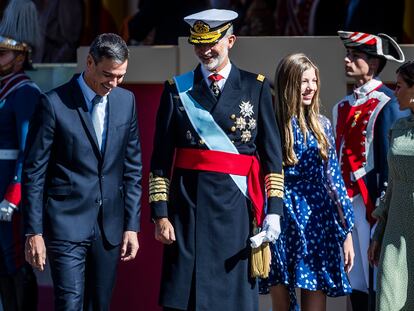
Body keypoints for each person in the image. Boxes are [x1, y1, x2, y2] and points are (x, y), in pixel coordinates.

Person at [150, 8, 284, 311]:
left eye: (211, 42)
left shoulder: (256, 86)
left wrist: (273, 212)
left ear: (231, 40)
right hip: (187, 211)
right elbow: (160, 161)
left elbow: (272, 159)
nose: (204, 50)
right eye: (198, 43)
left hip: (235, 211)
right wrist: (160, 214)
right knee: (185, 299)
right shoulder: (176, 90)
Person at [22, 33, 143, 310]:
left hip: (109, 226)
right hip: (66, 223)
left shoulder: (127, 102)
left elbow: (133, 168)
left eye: (120, 76)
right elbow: (34, 172)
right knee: (70, 303)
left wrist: (131, 226)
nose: (113, 83)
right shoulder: (53, 104)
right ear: (89, 62)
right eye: (107, 75)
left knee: (99, 304)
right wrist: (34, 232)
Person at [259, 53, 355, 311]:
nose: (311, 87)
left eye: (314, 80)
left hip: (316, 221)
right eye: (304, 81)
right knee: (281, 303)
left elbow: (334, 182)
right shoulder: (271, 125)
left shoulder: (321, 125)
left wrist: (346, 233)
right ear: (289, 84)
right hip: (280, 217)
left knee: (315, 300)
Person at [333, 30, 407, 310]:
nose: (347, 60)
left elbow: (392, 161)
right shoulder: (341, 106)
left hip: (371, 205)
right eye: (348, 55)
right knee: (355, 281)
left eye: (355, 56)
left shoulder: (388, 101)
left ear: (373, 64)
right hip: (346, 205)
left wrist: (382, 210)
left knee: (376, 279)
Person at [0, 0, 41, 309]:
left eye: (4, 53)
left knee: (15, 258)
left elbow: (29, 149)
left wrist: (14, 194)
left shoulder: (25, 92)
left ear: (21, 57)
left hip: (9, 191)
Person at [368, 60, 414, 311]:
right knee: (389, 298)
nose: (394, 93)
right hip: (396, 232)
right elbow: (393, 184)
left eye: (399, 86)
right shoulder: (397, 128)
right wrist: (379, 232)